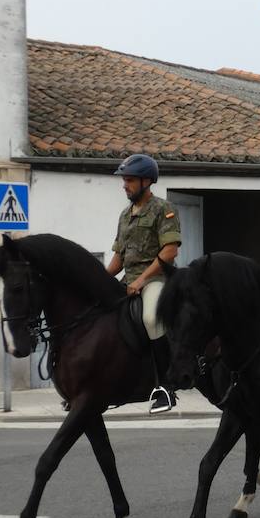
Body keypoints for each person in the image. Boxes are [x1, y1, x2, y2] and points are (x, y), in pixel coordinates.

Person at [106, 153, 182, 413]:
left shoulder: (164, 209)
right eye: (124, 180)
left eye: (129, 180)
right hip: (129, 280)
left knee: (151, 318)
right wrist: (102, 281)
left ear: (146, 181)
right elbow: (119, 257)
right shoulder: (125, 214)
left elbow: (170, 251)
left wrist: (141, 280)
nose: (124, 185)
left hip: (157, 279)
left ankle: (166, 388)